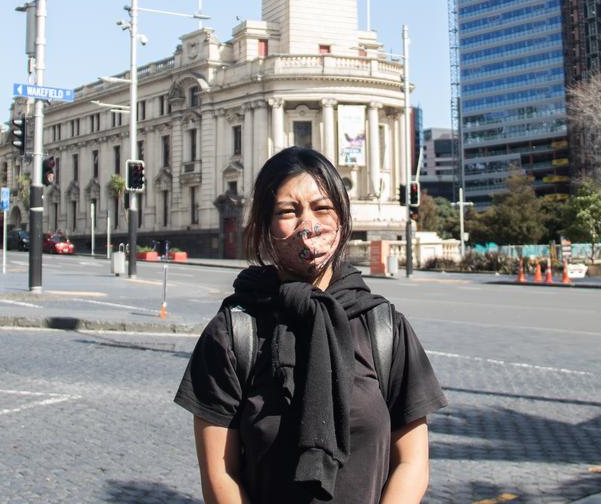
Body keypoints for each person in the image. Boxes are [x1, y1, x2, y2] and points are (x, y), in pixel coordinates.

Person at [175, 147, 446, 504]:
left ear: (342, 219)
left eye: (322, 208)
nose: (309, 225)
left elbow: (412, 462)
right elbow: (220, 473)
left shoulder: (384, 327)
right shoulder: (232, 333)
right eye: (288, 212)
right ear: (265, 226)